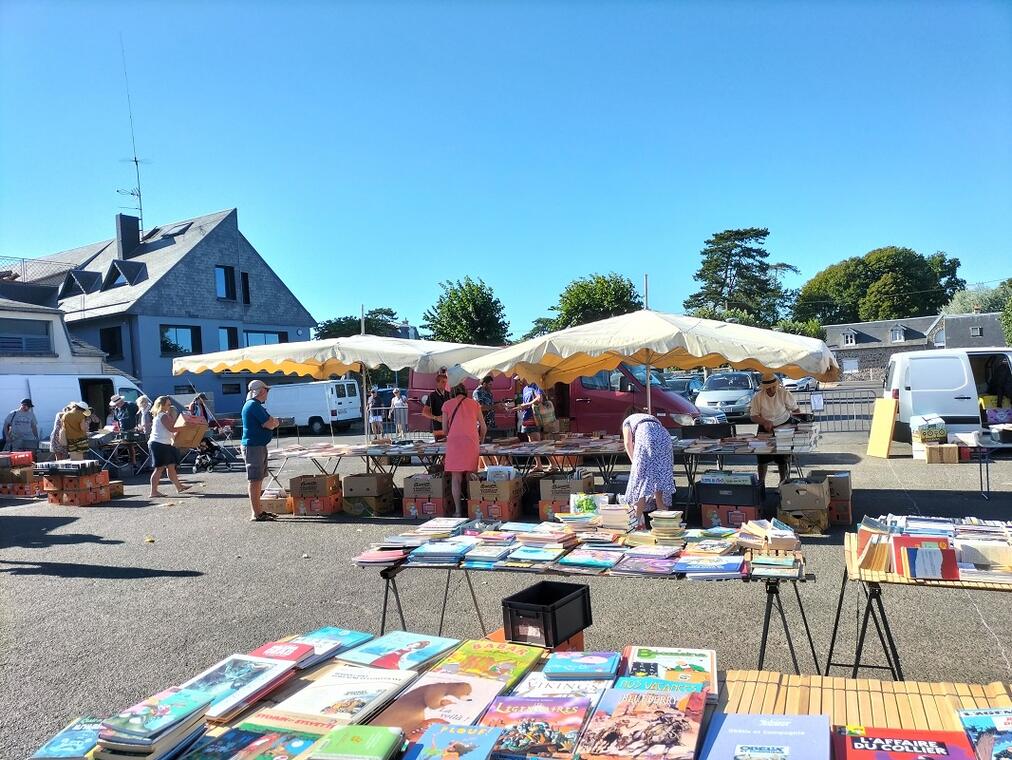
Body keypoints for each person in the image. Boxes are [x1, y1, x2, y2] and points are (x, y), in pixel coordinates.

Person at [441, 383, 487, 517]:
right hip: (471, 442)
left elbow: (444, 430)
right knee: (471, 477)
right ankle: (473, 509)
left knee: (456, 479)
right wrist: (481, 440)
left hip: (454, 443)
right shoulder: (474, 404)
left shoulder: (447, 405)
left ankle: (458, 511)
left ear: (452, 392)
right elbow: (483, 427)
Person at [750, 372, 803, 484]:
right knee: (762, 457)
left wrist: (798, 424)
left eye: (773, 387)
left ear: (777, 385)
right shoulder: (758, 397)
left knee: (782, 458)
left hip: (784, 426)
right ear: (764, 388)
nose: (771, 390)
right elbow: (753, 416)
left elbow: (796, 410)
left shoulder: (784, 393)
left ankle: (782, 482)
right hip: (765, 428)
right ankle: (762, 483)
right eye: (768, 388)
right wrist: (764, 421)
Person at [241, 379, 280, 521]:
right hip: (254, 447)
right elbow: (269, 423)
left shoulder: (253, 405)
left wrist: (273, 422)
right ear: (262, 391)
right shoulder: (253, 405)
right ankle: (256, 513)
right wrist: (274, 422)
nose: (268, 393)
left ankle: (258, 511)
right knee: (255, 479)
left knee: (258, 479)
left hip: (257, 445)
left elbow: (270, 421)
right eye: (267, 390)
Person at [622, 412, 675, 515]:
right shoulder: (649, 418)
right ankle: (665, 522)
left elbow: (628, 442)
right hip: (664, 435)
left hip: (646, 434)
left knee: (641, 479)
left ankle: (636, 521)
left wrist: (634, 462)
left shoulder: (627, 421)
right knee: (660, 477)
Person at [147, 396, 191, 498]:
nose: (169, 406)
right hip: (159, 444)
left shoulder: (162, 415)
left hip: (165, 443)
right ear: (161, 405)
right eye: (168, 404)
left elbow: (170, 431)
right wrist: (185, 427)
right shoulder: (163, 415)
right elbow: (172, 429)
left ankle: (179, 487)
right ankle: (153, 492)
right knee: (159, 469)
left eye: (170, 404)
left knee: (171, 466)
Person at [421, 368, 451, 439]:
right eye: (443, 382)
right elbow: (424, 412)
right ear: (437, 383)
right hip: (438, 428)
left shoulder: (449, 394)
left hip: (450, 427)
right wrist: (436, 418)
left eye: (446, 382)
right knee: (440, 448)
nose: (445, 384)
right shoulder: (432, 395)